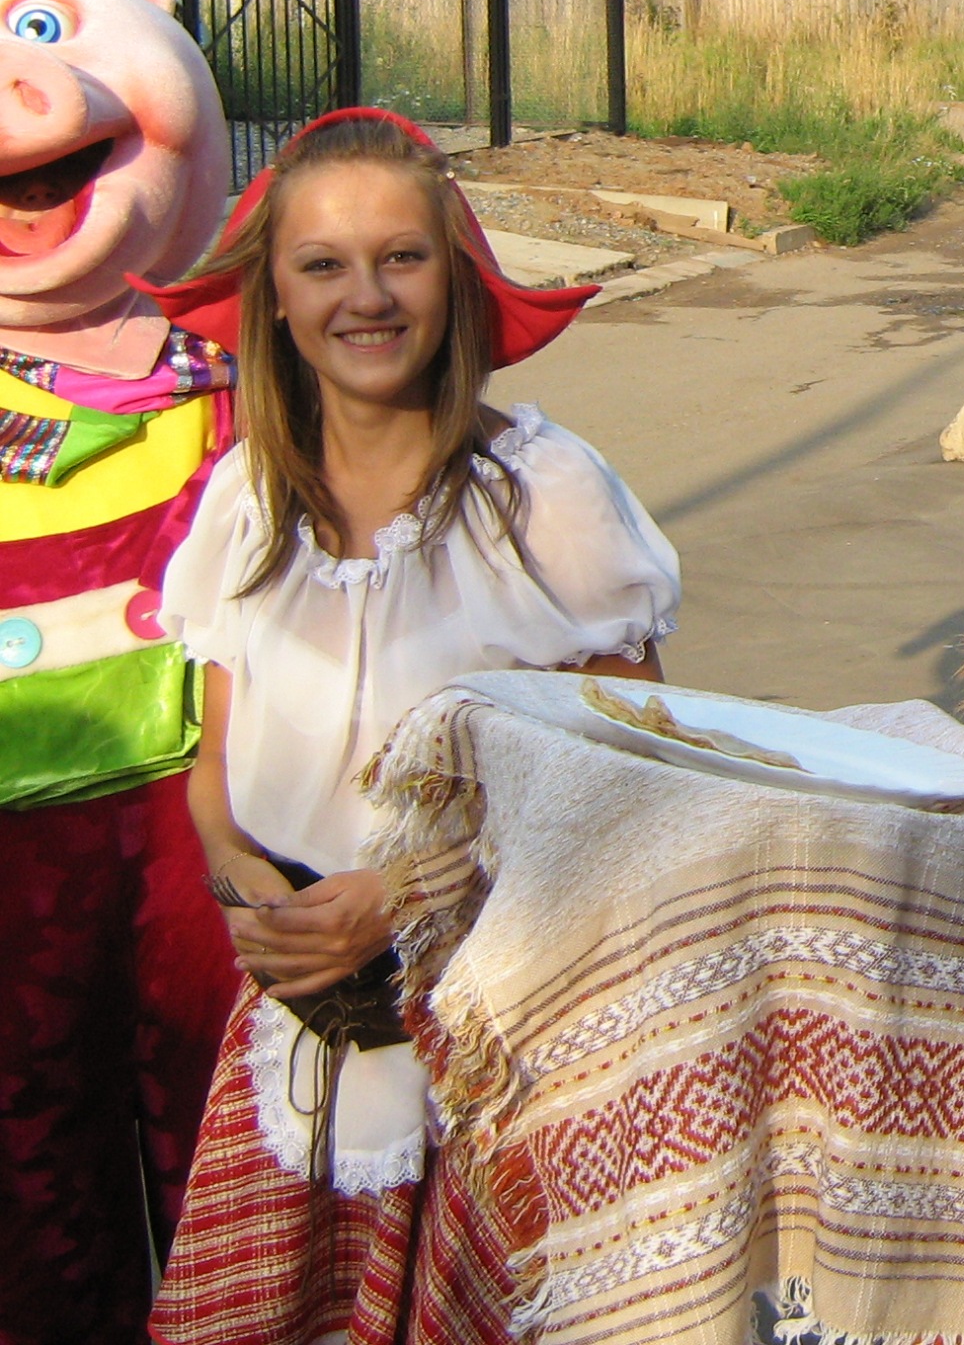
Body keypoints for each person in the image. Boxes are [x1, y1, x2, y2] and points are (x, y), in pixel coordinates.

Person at [142, 110, 681, 1345]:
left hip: (499, 1038)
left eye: (402, 258)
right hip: (294, 1024)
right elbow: (216, 768)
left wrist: (402, 895)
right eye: (323, 265)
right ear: (276, 298)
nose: (367, 297)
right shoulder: (244, 500)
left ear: (457, 279)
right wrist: (245, 889)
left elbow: (641, 767)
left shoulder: (542, 494)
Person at [0, 0, 241, 1345]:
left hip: (209, 826)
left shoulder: (240, 377)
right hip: (10, 858)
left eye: (44, 30)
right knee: (31, 1185)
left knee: (228, 1146)